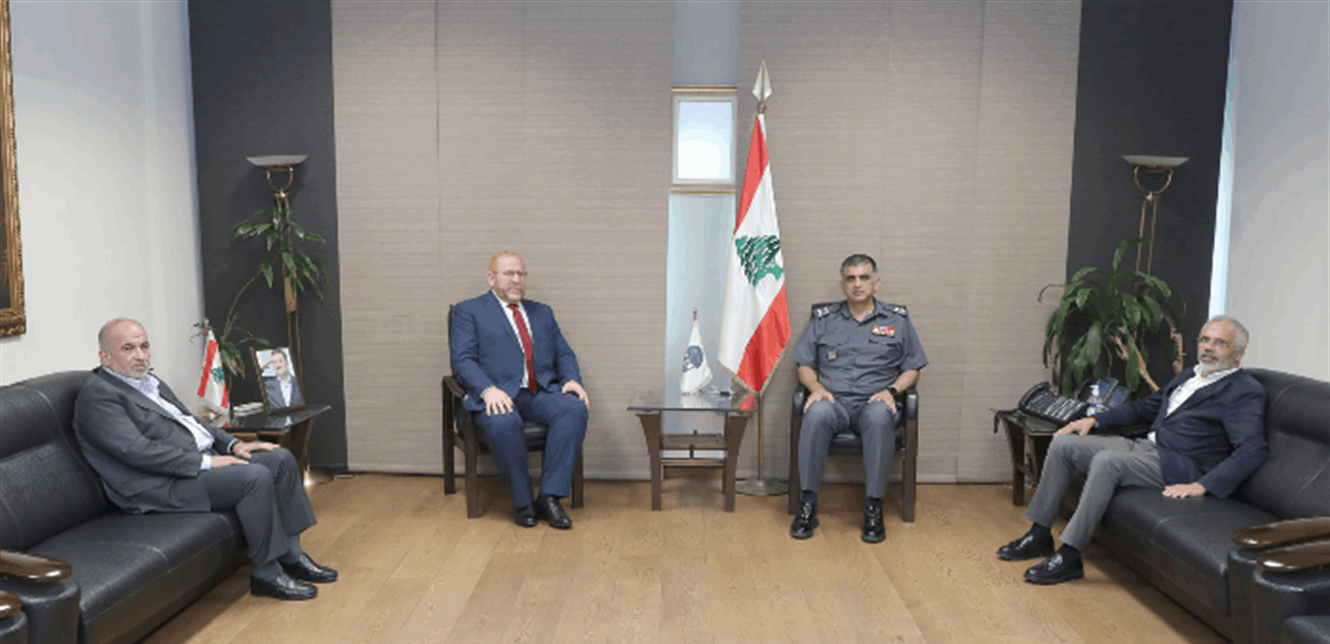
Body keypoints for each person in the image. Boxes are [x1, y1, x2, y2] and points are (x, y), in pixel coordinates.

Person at [73, 319, 337, 601]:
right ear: (105, 356)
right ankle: (267, 574)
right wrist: (208, 462)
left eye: (144, 346)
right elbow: (137, 452)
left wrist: (233, 444)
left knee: (280, 458)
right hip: (156, 484)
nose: (140, 355)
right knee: (253, 477)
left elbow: (190, 422)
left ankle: (292, 555)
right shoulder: (99, 396)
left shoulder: (148, 381)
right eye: (128, 348)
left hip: (191, 465)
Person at [997, 315, 1267, 585]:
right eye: (1205, 340)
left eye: (1220, 343)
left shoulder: (1243, 391)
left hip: (1179, 464)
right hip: (1145, 445)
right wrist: (1094, 420)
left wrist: (1203, 485)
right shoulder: (1190, 375)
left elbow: (1252, 448)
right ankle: (1039, 534)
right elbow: (1146, 408)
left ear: (1239, 353)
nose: (1209, 347)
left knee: (1107, 462)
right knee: (1063, 445)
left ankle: (1069, 555)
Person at [790, 254, 928, 543]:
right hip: (833, 400)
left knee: (879, 417)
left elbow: (912, 368)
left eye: (864, 278)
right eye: (850, 278)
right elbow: (804, 364)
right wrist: (815, 387)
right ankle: (807, 505)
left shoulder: (897, 320)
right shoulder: (823, 319)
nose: (857, 284)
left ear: (875, 283)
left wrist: (892, 391)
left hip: (874, 400)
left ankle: (874, 508)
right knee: (815, 413)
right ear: (842, 285)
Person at [449, 251, 589, 529]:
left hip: (539, 393)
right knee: (504, 421)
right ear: (491, 278)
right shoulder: (469, 311)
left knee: (574, 409)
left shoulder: (542, 312)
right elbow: (463, 360)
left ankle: (549, 497)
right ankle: (523, 502)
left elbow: (563, 353)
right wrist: (487, 389)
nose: (516, 280)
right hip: (495, 396)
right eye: (509, 274)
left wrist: (572, 379)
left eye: (520, 274)